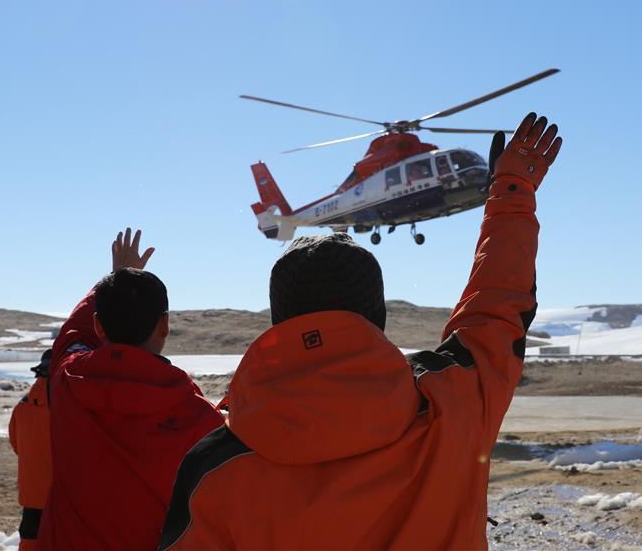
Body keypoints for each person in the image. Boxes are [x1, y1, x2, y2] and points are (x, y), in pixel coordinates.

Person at [159, 112, 561, 550]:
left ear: (278, 321)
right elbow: (497, 309)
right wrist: (512, 196)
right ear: (377, 315)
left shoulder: (215, 462)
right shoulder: (452, 400)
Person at [37, 229, 224, 551]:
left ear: (99, 326)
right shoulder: (200, 418)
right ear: (164, 326)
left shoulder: (68, 380)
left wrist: (112, 280)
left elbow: (71, 335)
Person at [7, 350, 53, 551]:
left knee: (30, 542)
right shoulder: (68, 406)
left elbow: (17, 445)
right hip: (63, 497)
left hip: (32, 494)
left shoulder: (22, 405)